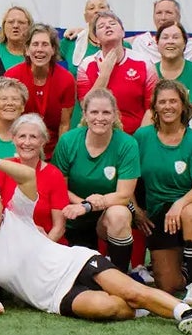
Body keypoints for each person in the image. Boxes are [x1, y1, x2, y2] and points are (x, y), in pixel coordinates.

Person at [0, 177, 192, 332]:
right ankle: (144, 308)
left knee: (131, 291)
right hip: (54, 297)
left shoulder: (16, 213)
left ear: (0, 201)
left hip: (77, 262)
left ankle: (186, 314)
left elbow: (27, 175)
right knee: (107, 306)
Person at [133, 79, 192, 302]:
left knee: (191, 212)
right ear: (154, 107)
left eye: (173, 101)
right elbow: (128, 178)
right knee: (167, 285)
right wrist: (136, 209)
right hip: (159, 213)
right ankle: (186, 268)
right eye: (163, 102)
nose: (168, 106)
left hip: (191, 206)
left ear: (183, 105)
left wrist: (179, 204)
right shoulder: (142, 137)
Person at [51, 88, 139, 273]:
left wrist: (89, 206)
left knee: (119, 214)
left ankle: (121, 274)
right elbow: (59, 188)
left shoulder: (127, 144)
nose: (100, 118)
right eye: (94, 112)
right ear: (84, 114)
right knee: (85, 276)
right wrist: (82, 204)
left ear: (115, 115)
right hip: (74, 214)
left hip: (106, 212)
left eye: (106, 112)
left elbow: (124, 195)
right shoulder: (68, 141)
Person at [0, 116, 69, 236]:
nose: (27, 142)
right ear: (13, 139)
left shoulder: (54, 175)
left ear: (43, 141)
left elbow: (59, 227)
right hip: (6, 239)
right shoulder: (3, 168)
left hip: (44, 243)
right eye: (22, 136)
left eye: (33, 137)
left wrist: (44, 246)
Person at [75, 12, 154, 135]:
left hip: (135, 137)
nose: (107, 26)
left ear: (123, 32)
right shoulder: (86, 66)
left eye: (112, 23)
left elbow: (152, 108)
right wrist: (104, 74)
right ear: (96, 39)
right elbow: (86, 107)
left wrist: (139, 138)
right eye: (101, 26)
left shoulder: (144, 63)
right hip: (98, 134)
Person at [9, 25, 77, 146]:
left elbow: (64, 125)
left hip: (52, 149)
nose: (39, 49)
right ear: (27, 50)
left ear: (53, 50)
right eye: (35, 44)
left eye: (45, 44)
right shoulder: (12, 76)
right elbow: (7, 121)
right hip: (18, 146)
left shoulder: (66, 79)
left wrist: (59, 156)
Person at [127, 0, 192, 67]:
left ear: (178, 16)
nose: (163, 18)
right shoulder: (140, 42)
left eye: (168, 13)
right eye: (159, 13)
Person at [151, 21, 192, 114]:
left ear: (184, 43)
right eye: (165, 37)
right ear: (157, 43)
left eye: (175, 37)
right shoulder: (150, 72)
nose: (170, 41)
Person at [62, 0, 111, 75]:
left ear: (111, 14)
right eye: (91, 8)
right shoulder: (70, 42)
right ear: (85, 17)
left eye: (102, 7)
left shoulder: (122, 45)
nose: (97, 11)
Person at [0, 6, 34, 70]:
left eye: (21, 22)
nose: (15, 26)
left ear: (29, 27)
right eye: (11, 22)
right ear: (3, 26)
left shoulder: (35, 54)